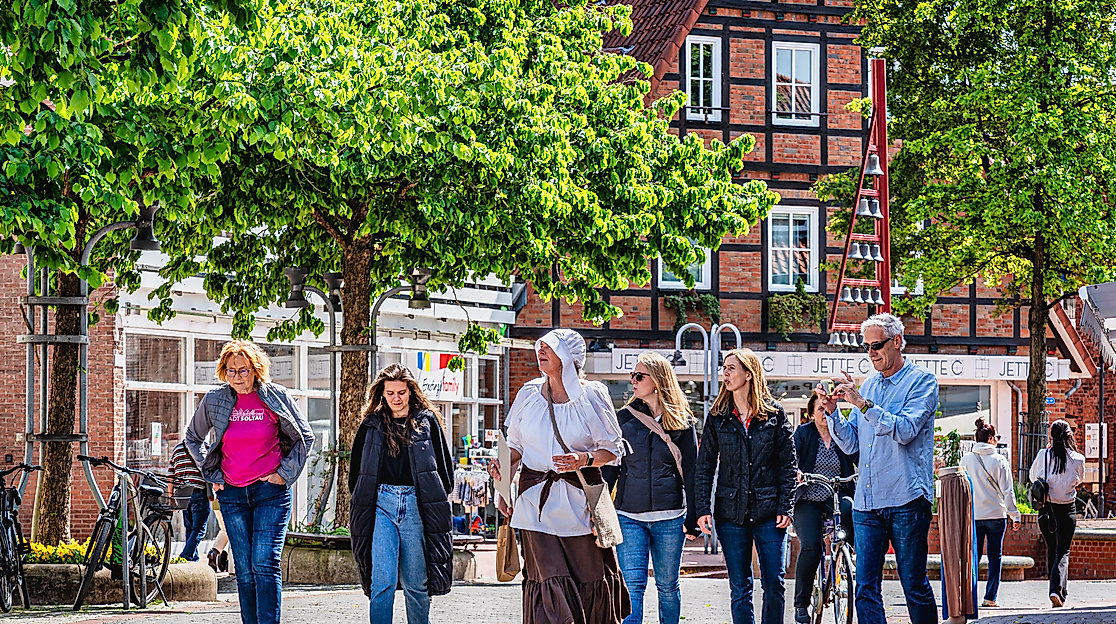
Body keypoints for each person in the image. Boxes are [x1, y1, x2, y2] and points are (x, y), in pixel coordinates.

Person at [488, 328, 630, 624]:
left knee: (588, 578)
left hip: (580, 502)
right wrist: (501, 484)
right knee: (547, 578)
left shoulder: (593, 396)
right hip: (534, 504)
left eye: (548, 348)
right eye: (539, 347)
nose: (540, 352)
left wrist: (584, 459)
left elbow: (613, 450)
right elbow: (513, 445)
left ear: (567, 356)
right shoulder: (528, 393)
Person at [817, 313, 938, 624]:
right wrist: (833, 413)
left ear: (897, 342)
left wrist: (861, 402)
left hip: (906, 498)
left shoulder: (922, 382)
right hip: (867, 502)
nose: (871, 352)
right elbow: (851, 444)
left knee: (913, 584)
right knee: (865, 587)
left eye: (877, 345)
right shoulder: (868, 385)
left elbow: (906, 430)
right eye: (866, 346)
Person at [186, 340, 315, 624]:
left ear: (256, 370)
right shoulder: (215, 400)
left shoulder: (276, 396)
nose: (237, 377)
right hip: (231, 494)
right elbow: (193, 438)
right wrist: (212, 473)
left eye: (242, 371)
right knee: (244, 569)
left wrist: (284, 473)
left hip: (271, 492)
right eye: (230, 371)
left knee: (264, 564)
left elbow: (305, 437)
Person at [694, 348, 796, 624]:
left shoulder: (774, 415)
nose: (725, 374)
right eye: (724, 368)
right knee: (740, 586)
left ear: (748, 374)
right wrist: (702, 508)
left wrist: (786, 506)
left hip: (769, 512)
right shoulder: (718, 417)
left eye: (731, 368)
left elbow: (788, 465)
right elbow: (704, 466)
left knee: (774, 583)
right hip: (730, 514)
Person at [348, 364, 455, 623]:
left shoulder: (426, 422)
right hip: (381, 505)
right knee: (381, 582)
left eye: (402, 392)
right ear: (382, 394)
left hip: (415, 505)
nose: (396, 398)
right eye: (390, 393)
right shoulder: (371, 425)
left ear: (411, 392)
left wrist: (434, 500)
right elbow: (356, 473)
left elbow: (444, 469)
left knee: (416, 583)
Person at [603, 351, 699, 624]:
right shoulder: (623, 419)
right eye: (632, 375)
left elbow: (691, 472)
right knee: (632, 586)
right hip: (629, 516)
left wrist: (693, 515)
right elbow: (611, 469)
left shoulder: (682, 422)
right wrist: (601, 513)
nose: (632, 380)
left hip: (670, 517)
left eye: (639, 376)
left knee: (668, 586)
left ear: (657, 380)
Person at [791, 392, 857, 623]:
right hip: (809, 496)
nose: (824, 413)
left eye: (827, 409)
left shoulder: (842, 432)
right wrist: (796, 473)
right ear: (811, 413)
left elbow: (858, 455)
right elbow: (791, 459)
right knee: (811, 547)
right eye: (820, 409)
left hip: (837, 494)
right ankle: (801, 605)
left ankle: (846, 557)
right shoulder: (804, 433)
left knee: (852, 511)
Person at [958, 418, 1020, 607]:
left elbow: (960, 487)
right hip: (996, 515)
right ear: (991, 438)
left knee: (973, 557)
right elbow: (1008, 491)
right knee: (995, 556)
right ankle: (990, 597)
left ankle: (969, 596)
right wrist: (1015, 515)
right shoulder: (1000, 460)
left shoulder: (966, 459)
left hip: (975, 516)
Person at [1029, 419, 1085, 608]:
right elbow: (1079, 480)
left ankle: (1058, 591)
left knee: (1052, 550)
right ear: (1069, 436)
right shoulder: (1077, 458)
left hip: (1046, 509)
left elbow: (1032, 476)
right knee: (1063, 551)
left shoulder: (1043, 455)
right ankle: (1057, 590)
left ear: (1051, 437)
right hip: (1067, 509)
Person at [169, 438, 209, 562]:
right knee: (199, 528)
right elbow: (211, 470)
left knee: (189, 527)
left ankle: (192, 559)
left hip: (182, 494)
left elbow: (171, 475)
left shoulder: (177, 450)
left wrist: (171, 497)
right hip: (198, 491)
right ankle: (185, 556)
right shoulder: (204, 448)